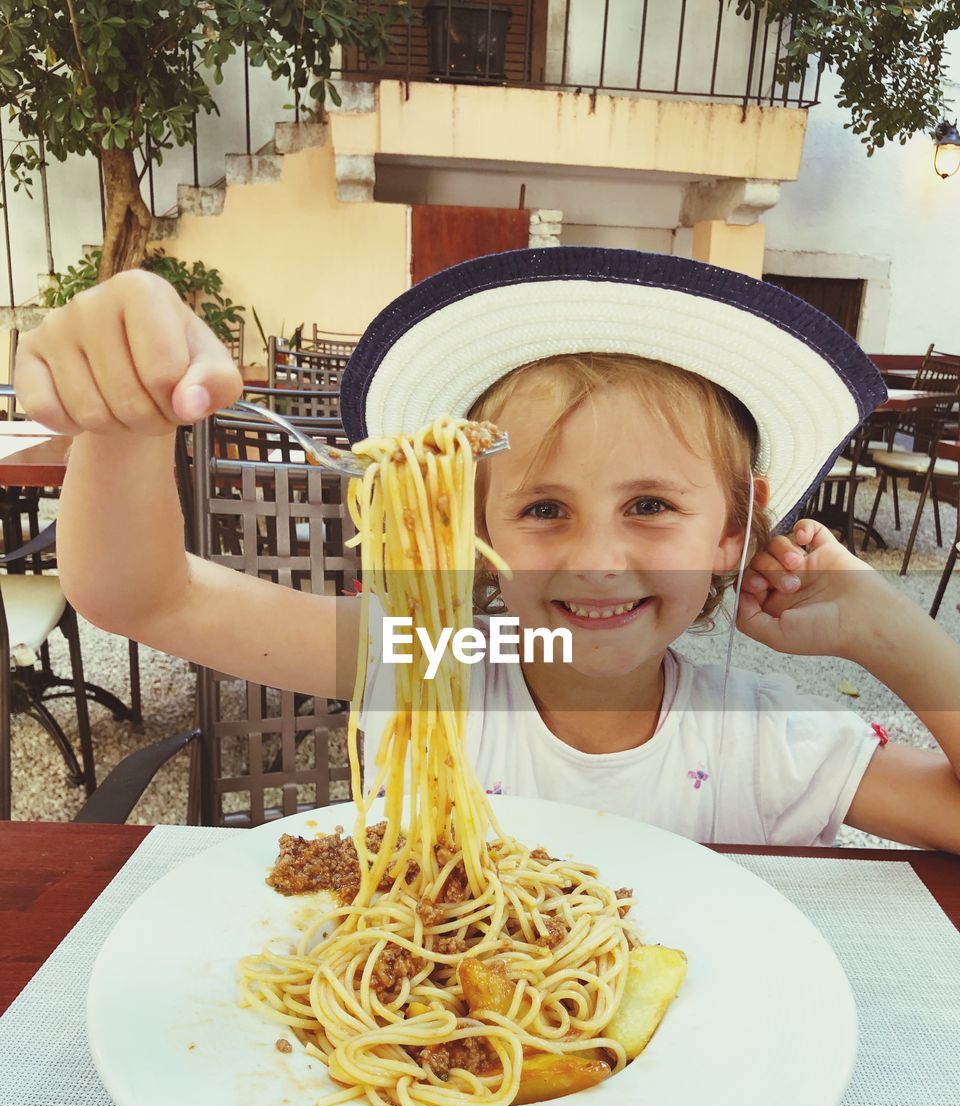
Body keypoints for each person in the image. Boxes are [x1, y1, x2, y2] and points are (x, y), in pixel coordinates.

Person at [13, 247, 960, 852]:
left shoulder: (763, 742)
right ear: (473, 523)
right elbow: (143, 597)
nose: (596, 558)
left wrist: (891, 635)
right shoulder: (437, 659)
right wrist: (128, 420)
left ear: (732, 528)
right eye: (545, 508)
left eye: (649, 505)